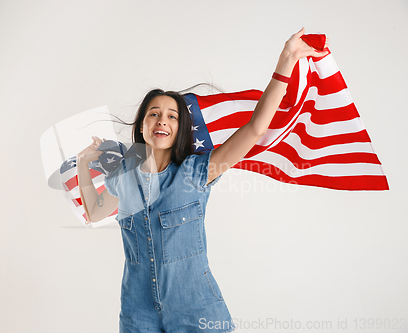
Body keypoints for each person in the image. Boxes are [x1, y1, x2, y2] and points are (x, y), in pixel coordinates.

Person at [76, 28, 328, 333]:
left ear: (180, 129)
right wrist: (82, 165)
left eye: (172, 116)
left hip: (196, 312)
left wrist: (286, 60)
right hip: (137, 313)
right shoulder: (124, 179)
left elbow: (255, 129)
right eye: (154, 114)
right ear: (142, 126)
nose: (162, 121)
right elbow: (94, 212)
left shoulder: (197, 172)